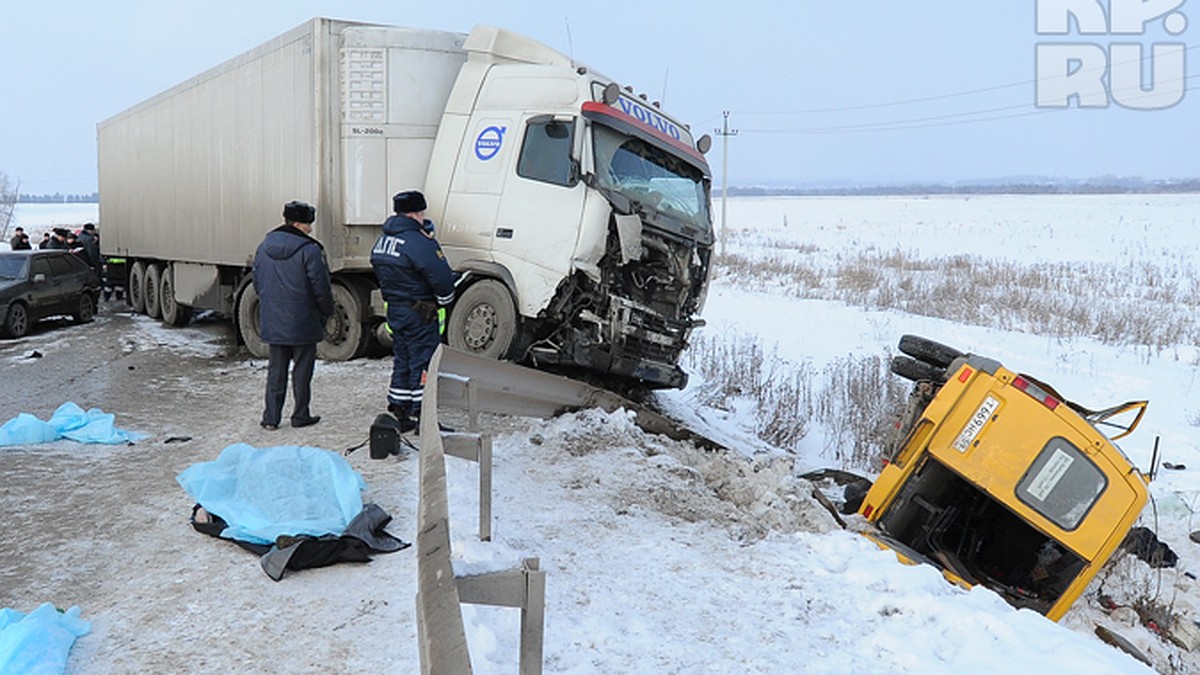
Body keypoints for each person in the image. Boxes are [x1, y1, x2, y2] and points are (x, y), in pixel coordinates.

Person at [370, 190, 455, 432]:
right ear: (416, 213)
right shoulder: (419, 242)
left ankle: (400, 409)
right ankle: (424, 415)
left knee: (403, 359)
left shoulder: (383, 240)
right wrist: (445, 299)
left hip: (396, 310)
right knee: (423, 362)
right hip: (420, 311)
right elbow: (440, 277)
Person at [252, 200, 335, 430]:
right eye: (308, 224)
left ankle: (271, 418)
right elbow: (321, 287)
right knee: (302, 371)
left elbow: (257, 282)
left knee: (276, 371)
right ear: (298, 224)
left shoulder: (264, 246)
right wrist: (327, 311)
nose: (310, 229)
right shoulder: (310, 250)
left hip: (274, 318)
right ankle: (300, 415)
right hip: (304, 320)